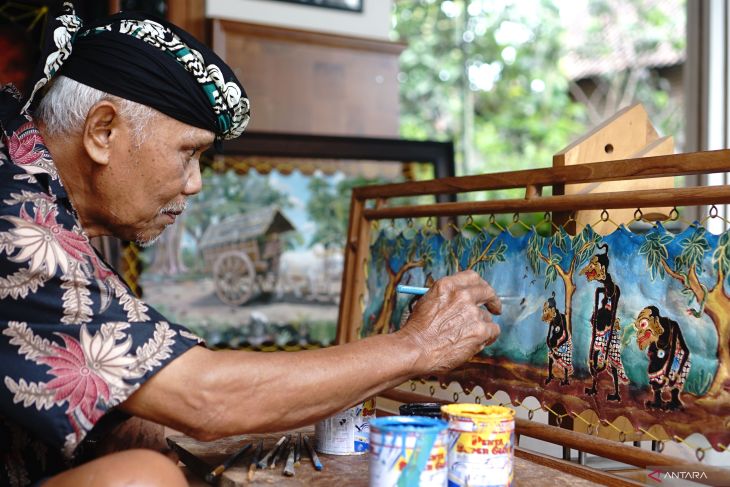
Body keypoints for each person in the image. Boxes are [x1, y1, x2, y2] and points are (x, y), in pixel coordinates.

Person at [0, 4, 501, 486]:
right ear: (103, 131)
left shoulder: (37, 192)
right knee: (141, 479)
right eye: (188, 153)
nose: (195, 183)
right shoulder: (20, 223)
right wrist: (418, 345)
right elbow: (203, 397)